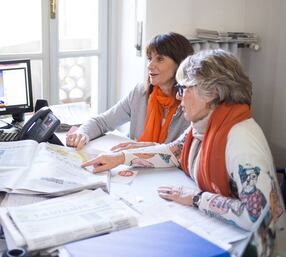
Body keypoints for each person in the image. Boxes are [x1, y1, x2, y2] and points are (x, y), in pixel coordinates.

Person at [81, 49, 284, 257]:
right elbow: (173, 152)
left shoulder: (242, 140)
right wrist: (121, 158)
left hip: (252, 247)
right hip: (219, 233)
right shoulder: (204, 125)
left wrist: (196, 198)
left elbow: (257, 215)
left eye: (184, 88)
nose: (179, 97)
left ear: (211, 92)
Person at [66, 32, 193, 149]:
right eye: (150, 59)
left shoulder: (191, 102)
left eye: (159, 59)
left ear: (181, 63)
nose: (150, 65)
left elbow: (180, 152)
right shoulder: (140, 92)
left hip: (169, 172)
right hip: (134, 166)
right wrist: (82, 133)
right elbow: (102, 122)